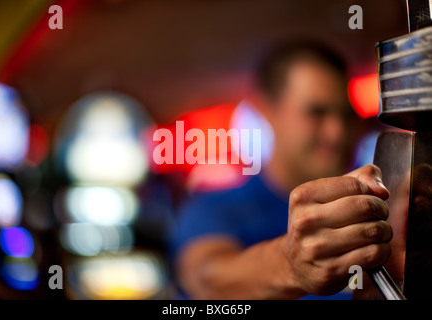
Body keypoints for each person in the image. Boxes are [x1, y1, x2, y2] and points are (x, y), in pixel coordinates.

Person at [168, 41, 392, 299]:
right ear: (267, 110)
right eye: (316, 113)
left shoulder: (376, 202)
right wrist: (292, 265)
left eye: (345, 114)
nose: (337, 132)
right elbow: (208, 280)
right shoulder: (213, 209)